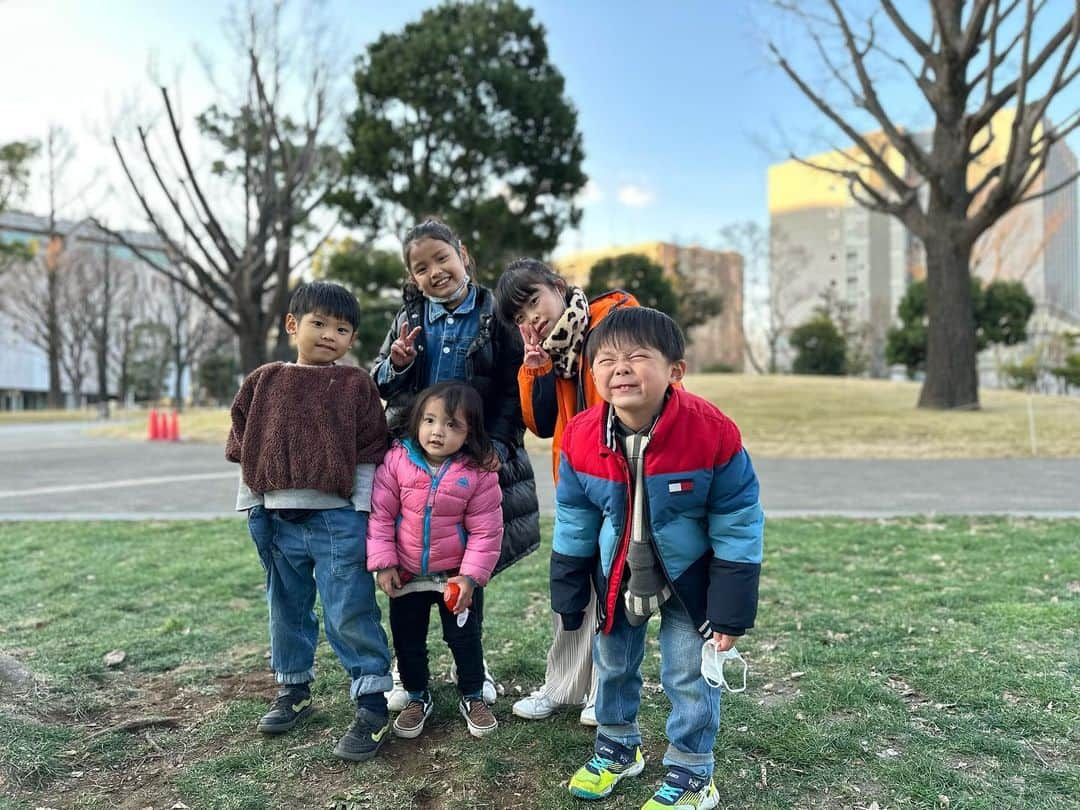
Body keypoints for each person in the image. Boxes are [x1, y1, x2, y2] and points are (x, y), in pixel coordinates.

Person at [550, 307, 764, 809]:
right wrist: (569, 587)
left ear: (675, 371)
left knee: (688, 675)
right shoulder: (580, 436)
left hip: (691, 582)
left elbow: (737, 519)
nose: (619, 368)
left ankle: (693, 774)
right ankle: (617, 747)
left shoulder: (711, 432)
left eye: (637, 357)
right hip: (617, 573)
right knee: (613, 664)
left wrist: (730, 608)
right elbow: (574, 516)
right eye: (605, 359)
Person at [372, 218, 541, 709]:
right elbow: (380, 382)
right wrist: (398, 362)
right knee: (410, 551)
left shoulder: (495, 314)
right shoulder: (409, 316)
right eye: (420, 267)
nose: (434, 272)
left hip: (473, 455)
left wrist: (503, 444)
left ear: (462, 254)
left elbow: (513, 388)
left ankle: (471, 661)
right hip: (414, 456)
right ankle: (411, 668)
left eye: (441, 259)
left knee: (466, 555)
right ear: (412, 276)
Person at [226, 281, 394, 762]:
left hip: (337, 518)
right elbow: (246, 446)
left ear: (352, 339)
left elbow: (368, 451)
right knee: (287, 607)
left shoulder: (355, 384)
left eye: (341, 329)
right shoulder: (265, 382)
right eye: (318, 324)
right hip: (277, 518)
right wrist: (253, 505)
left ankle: (370, 701)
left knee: (349, 607)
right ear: (293, 325)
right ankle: (293, 689)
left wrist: (360, 512)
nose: (329, 335)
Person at [493, 258, 638, 727]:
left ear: (558, 286)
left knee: (612, 585)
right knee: (571, 586)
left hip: (623, 482)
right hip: (576, 486)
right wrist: (535, 369)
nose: (530, 319)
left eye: (533, 301)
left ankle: (605, 690)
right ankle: (564, 686)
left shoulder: (613, 322)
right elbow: (539, 425)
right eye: (519, 317)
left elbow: (646, 393)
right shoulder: (554, 352)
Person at [367, 382, 503, 739]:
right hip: (407, 575)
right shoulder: (397, 462)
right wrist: (384, 563)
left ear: (470, 431)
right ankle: (416, 696)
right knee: (408, 640)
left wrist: (471, 578)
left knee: (464, 639)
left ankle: (472, 694)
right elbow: (380, 515)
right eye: (430, 420)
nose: (437, 432)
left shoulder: (478, 473)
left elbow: (486, 532)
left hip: (454, 578)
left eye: (452, 425)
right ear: (417, 421)